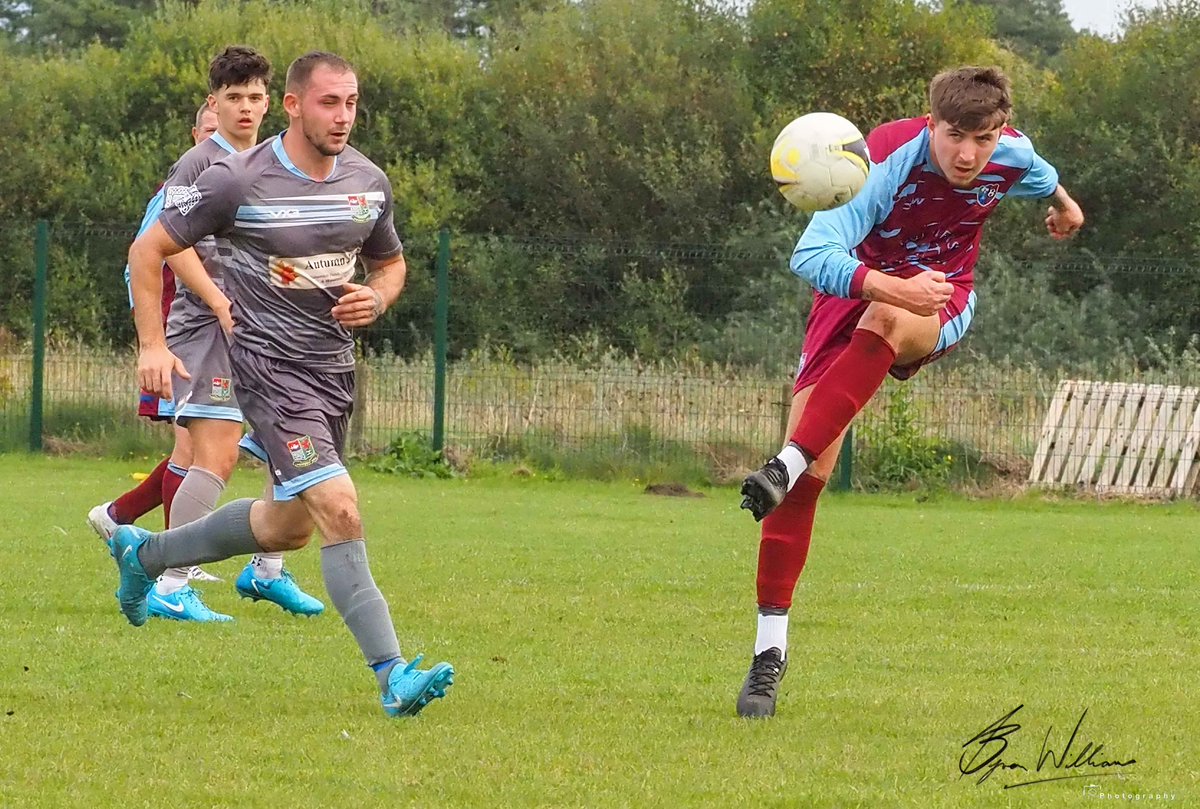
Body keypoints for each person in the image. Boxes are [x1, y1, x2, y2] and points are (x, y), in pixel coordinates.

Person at [735, 66, 1085, 718]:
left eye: (982, 138)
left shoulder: (1011, 154)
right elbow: (809, 258)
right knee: (818, 470)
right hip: (859, 291)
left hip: (940, 304)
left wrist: (1065, 207)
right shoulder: (885, 160)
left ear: (1000, 131)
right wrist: (891, 284)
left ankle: (784, 461)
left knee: (883, 331)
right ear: (932, 124)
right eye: (954, 135)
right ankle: (769, 653)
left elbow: (1042, 175)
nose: (967, 153)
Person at [113, 51, 455, 717]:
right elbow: (147, 249)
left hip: (333, 374)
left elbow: (391, 263)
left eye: (352, 102)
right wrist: (153, 345)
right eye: (330, 102)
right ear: (294, 105)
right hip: (267, 373)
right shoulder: (237, 179)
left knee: (287, 526)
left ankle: (148, 553)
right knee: (342, 508)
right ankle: (393, 676)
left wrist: (378, 298)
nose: (344, 116)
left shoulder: (367, 181)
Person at [97, 47, 325, 623]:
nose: (245, 109)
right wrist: (221, 302)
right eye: (233, 99)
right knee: (217, 454)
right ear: (213, 104)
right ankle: (171, 581)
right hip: (207, 326)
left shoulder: (272, 162)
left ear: (270, 102)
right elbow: (166, 248)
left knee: (288, 442)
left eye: (254, 98)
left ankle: (266, 570)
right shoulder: (198, 164)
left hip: (261, 325)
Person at [86, 102, 220, 589]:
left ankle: (120, 518)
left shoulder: (239, 186)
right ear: (195, 134)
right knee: (195, 445)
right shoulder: (175, 193)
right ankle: (173, 566)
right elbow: (138, 262)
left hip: (214, 334)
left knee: (204, 448)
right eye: (209, 132)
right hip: (181, 333)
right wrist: (154, 340)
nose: (216, 142)